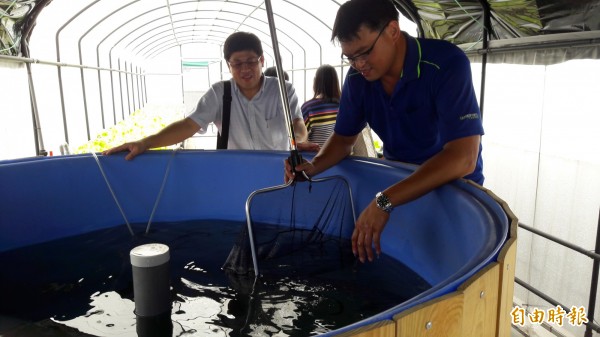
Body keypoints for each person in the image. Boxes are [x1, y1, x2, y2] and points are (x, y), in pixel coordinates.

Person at [285, 0, 484, 263]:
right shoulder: (357, 81)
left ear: (392, 30)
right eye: (350, 57)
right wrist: (311, 167)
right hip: (400, 188)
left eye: (364, 52)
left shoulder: (445, 64)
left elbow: (462, 157)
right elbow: (344, 140)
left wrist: (384, 201)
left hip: (454, 190)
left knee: (453, 269)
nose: (359, 64)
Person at [103, 31, 316, 160]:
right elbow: (188, 126)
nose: (245, 69)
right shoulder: (220, 93)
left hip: (277, 170)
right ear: (228, 65)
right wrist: (144, 143)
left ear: (262, 61)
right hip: (234, 174)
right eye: (237, 63)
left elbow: (297, 124)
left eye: (251, 61)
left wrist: (298, 142)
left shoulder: (282, 89)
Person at [301, 64, 340, 147]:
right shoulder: (345, 106)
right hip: (343, 157)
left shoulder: (309, 108)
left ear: (316, 81)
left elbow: (299, 139)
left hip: (318, 157)